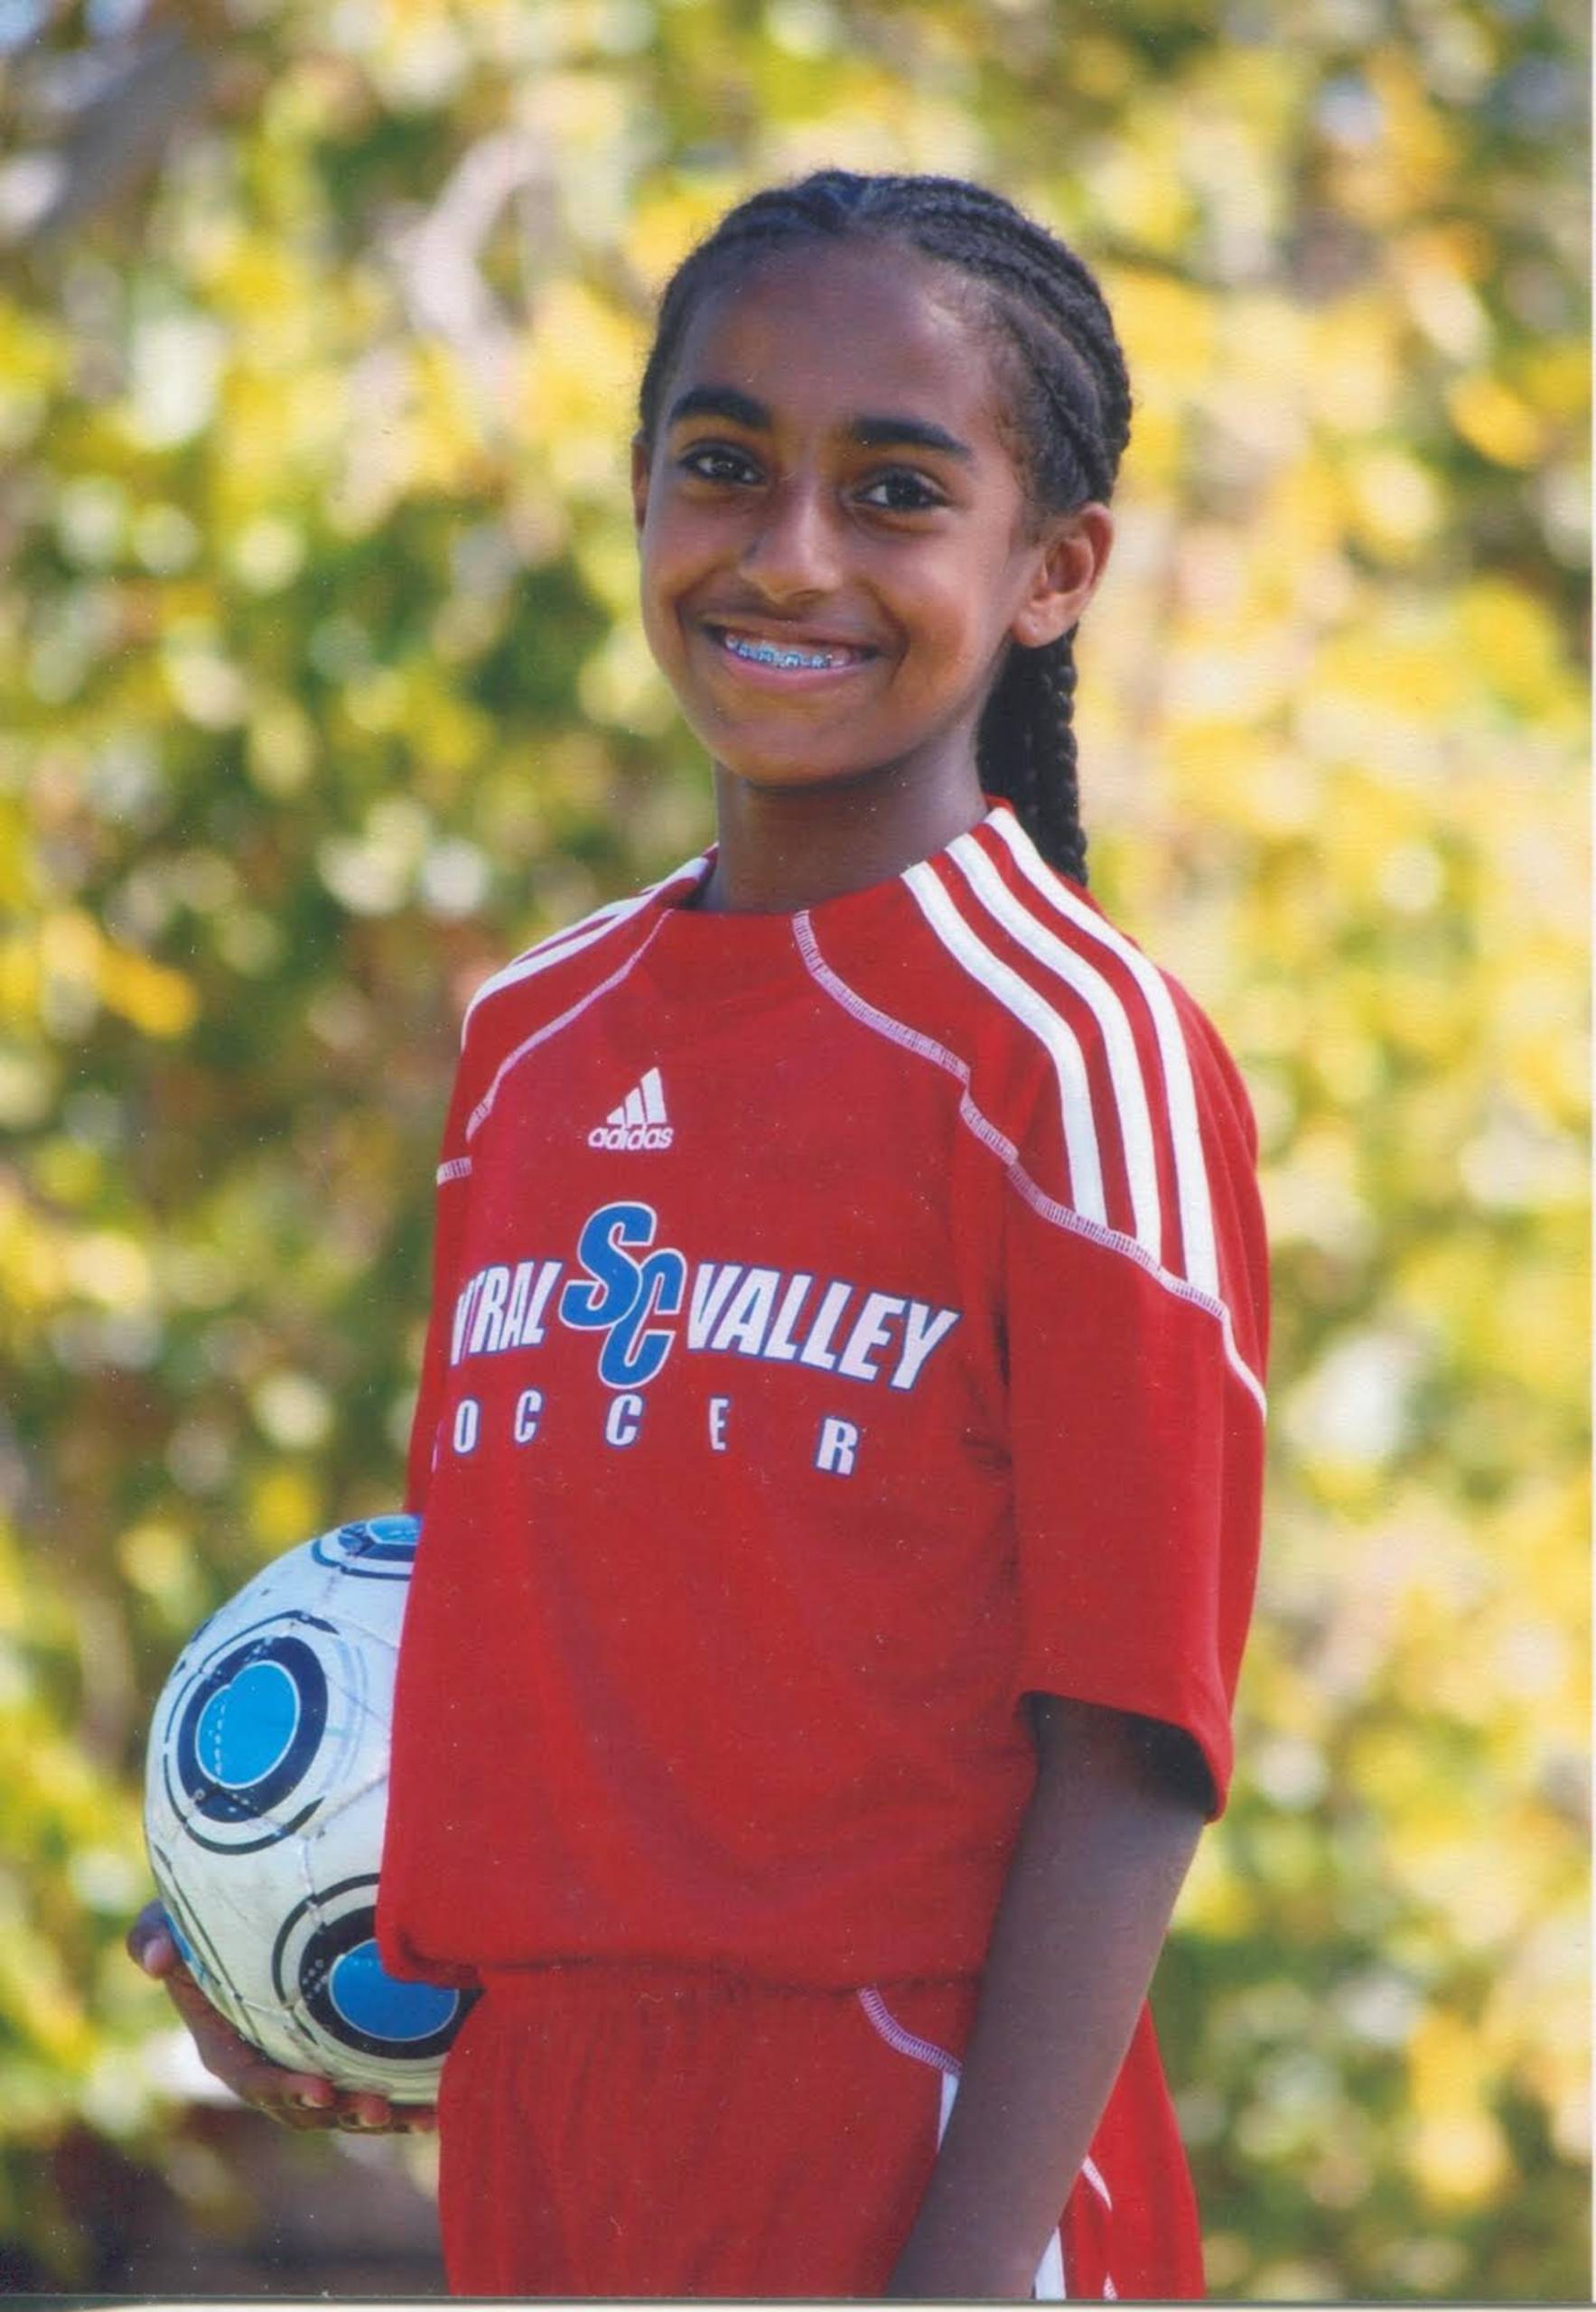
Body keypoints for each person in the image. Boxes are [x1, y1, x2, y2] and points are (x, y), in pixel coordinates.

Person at [132, 168, 1268, 2298]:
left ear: (1051, 569)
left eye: (896, 489)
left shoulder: (1072, 1050)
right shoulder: (532, 1040)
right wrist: (313, 1951)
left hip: (931, 2175)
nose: (789, 553)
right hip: (559, 2180)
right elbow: (528, 1639)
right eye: (723, 464)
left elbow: (1128, 1763)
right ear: (641, 492)